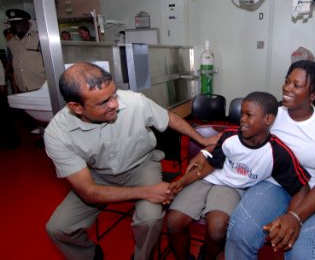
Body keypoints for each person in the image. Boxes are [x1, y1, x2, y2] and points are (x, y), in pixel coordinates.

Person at [44, 62, 220, 260]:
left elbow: (169, 118)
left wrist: (202, 139)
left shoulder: (135, 101)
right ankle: (89, 255)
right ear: (76, 107)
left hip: (142, 165)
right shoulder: (57, 134)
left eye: (114, 94)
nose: (115, 104)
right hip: (98, 175)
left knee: (150, 218)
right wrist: (147, 192)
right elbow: (89, 192)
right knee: (58, 228)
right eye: (103, 102)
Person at [225, 60, 315, 259]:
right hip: (274, 185)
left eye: (297, 85)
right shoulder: (273, 114)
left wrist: (295, 216)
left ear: (313, 94)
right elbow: (240, 137)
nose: (287, 88)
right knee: (239, 233)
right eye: (287, 81)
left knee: (305, 255)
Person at [166, 91, 311, 260]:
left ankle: (207, 256)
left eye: (249, 115)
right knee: (173, 221)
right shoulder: (230, 137)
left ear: (268, 119)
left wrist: (291, 217)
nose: (242, 118)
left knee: (217, 228)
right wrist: (183, 182)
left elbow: (302, 188)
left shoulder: (277, 153)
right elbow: (211, 165)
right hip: (208, 179)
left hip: (232, 188)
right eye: (242, 113)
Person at [6, 9, 46, 93]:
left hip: (41, 85)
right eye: (13, 23)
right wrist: (14, 84)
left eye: (19, 22)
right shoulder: (11, 43)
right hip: (22, 87)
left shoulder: (39, 38)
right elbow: (14, 65)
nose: (16, 26)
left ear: (27, 23)